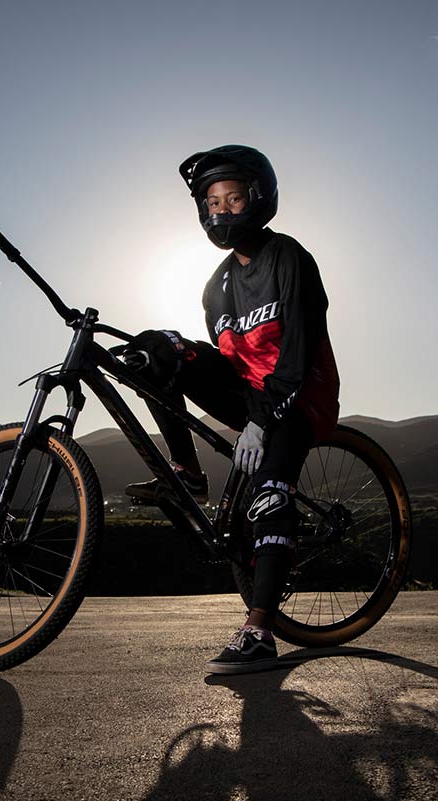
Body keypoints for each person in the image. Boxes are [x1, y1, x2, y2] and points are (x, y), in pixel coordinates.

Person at [124, 145, 340, 675]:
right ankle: (186, 471)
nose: (221, 211)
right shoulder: (215, 286)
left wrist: (263, 420)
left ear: (259, 199)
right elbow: (223, 363)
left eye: (234, 198)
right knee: (155, 351)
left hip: (298, 395)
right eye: (211, 202)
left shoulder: (289, 256)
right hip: (248, 397)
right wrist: (151, 361)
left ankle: (260, 631)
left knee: (268, 500)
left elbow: (298, 351)